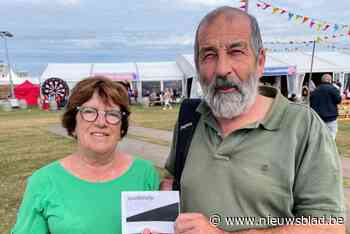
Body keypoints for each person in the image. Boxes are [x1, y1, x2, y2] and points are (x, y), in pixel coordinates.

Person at [162, 6, 344, 234]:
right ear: (197, 67)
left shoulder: (302, 126)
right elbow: (173, 181)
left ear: (260, 61)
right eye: (209, 55)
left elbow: (329, 225)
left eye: (236, 52)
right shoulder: (190, 118)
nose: (222, 69)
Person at [11, 76, 160, 234]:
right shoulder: (44, 181)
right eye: (89, 111)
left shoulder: (145, 174)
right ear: (73, 124)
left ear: (121, 128)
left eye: (112, 114)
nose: (101, 122)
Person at [310, 73, 342, 140]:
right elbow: (339, 100)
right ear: (330, 80)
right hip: (330, 117)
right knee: (331, 135)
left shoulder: (315, 90)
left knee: (320, 135)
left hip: (318, 117)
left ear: (322, 80)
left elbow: (311, 102)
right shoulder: (333, 89)